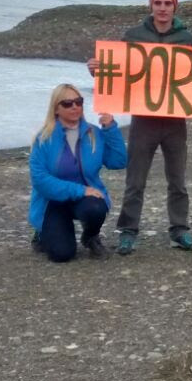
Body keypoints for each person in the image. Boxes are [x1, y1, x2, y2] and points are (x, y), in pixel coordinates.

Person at [88, 0, 192, 254]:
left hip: (174, 120)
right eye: (158, 3)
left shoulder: (187, 39)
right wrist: (97, 70)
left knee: (178, 179)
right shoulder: (133, 36)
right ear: (151, 6)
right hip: (143, 119)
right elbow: (119, 74)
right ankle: (128, 230)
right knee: (135, 179)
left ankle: (179, 228)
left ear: (175, 7)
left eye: (168, 3)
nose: (162, 8)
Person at [28, 84, 127, 263]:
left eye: (78, 102)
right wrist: (80, 190)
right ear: (56, 109)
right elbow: (40, 180)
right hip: (54, 201)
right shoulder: (43, 139)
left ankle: (91, 237)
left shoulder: (94, 134)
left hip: (85, 200)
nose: (74, 107)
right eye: (67, 103)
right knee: (62, 255)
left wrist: (111, 128)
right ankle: (43, 233)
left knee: (96, 208)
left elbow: (118, 161)